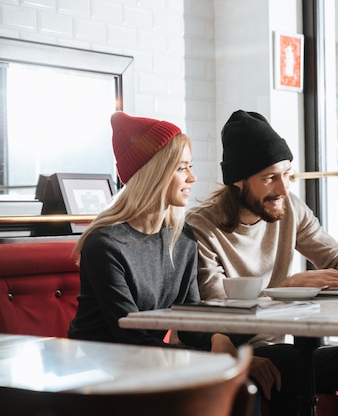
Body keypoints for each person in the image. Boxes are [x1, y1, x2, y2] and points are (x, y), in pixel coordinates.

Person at [186, 109, 338, 416]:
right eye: (270, 178)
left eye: (287, 174)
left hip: (284, 350)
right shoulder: (201, 228)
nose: (283, 189)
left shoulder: (289, 209)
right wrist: (283, 290)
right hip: (241, 349)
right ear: (238, 180)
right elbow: (214, 312)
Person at [67, 111, 234, 352]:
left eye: (191, 167)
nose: (192, 177)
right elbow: (131, 337)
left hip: (146, 360)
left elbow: (190, 320)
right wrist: (207, 358)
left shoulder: (182, 238)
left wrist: (216, 340)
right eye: (182, 168)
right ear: (154, 174)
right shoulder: (105, 245)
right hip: (97, 366)